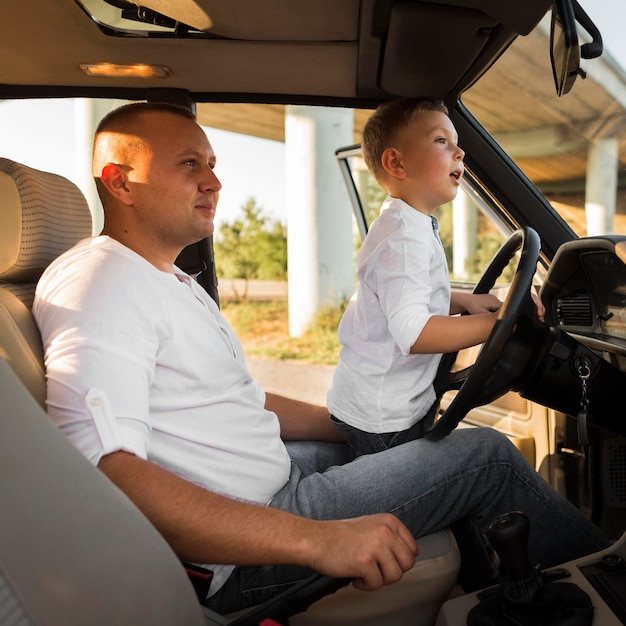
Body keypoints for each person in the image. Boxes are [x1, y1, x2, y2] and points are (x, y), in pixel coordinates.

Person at [33, 101, 608, 615]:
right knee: (484, 455)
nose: (214, 181)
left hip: (271, 482)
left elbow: (240, 401)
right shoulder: (102, 282)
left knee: (406, 443)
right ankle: (607, 582)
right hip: (243, 548)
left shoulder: (166, 280)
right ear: (121, 181)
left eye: (211, 163)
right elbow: (103, 472)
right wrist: (318, 540)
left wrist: (345, 424)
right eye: (190, 165)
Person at [328, 98, 543, 456]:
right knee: (493, 455)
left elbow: (403, 294)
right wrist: (498, 323)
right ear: (396, 163)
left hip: (375, 406)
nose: (460, 152)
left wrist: (466, 301)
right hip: (385, 421)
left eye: (456, 141)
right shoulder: (403, 239)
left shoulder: (405, 222)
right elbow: (414, 333)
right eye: (441, 140)